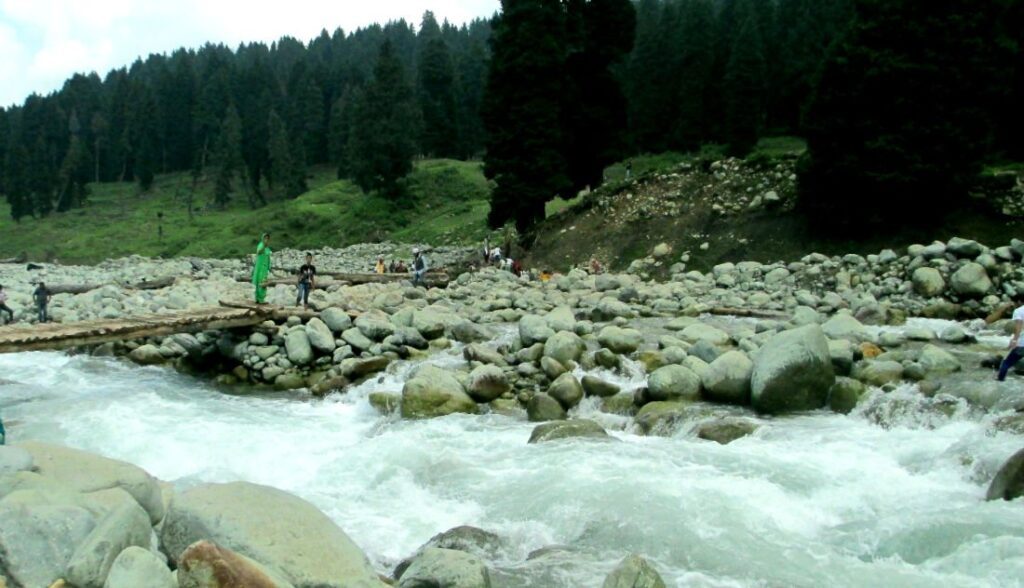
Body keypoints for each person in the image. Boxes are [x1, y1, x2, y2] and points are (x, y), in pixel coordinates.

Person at [998, 302, 1024, 380]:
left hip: (1022, 343)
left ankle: (1000, 381)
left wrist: (1014, 340)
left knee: (1006, 362)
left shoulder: (1019, 311)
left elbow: (1018, 327)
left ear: (1019, 301)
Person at [252, 233, 272, 304]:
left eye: (267, 238)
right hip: (260, 267)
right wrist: (263, 245)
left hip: (265, 268)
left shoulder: (268, 248)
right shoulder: (260, 245)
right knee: (260, 282)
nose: (266, 240)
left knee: (263, 282)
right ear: (262, 239)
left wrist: (269, 267)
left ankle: (261, 299)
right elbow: (258, 252)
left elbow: (268, 258)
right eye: (265, 238)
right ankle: (259, 299)